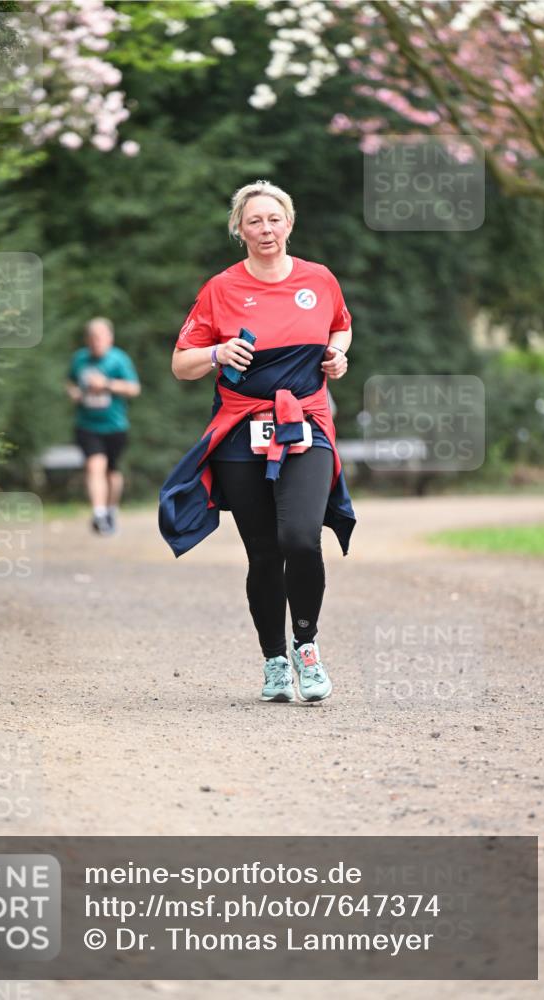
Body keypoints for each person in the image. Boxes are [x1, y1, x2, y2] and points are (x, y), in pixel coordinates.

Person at [159, 180, 355, 703]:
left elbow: (341, 327)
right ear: (238, 229)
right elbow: (182, 364)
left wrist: (338, 355)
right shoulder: (220, 288)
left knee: (300, 538)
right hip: (241, 432)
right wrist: (219, 353)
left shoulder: (320, 279)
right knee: (265, 553)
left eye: (273, 219)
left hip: (305, 423)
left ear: (289, 223)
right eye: (254, 222)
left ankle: (307, 651)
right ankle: (274, 663)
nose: (265, 230)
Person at [66, 317, 141, 535]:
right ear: (87, 339)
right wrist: (74, 393)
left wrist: (107, 384)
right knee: (94, 465)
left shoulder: (119, 360)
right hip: (87, 424)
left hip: (115, 425)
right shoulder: (79, 359)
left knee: (112, 472)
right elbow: (70, 381)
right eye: (92, 337)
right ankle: (98, 514)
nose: (96, 341)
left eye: (100, 337)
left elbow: (134, 389)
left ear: (110, 338)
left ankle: (110, 510)